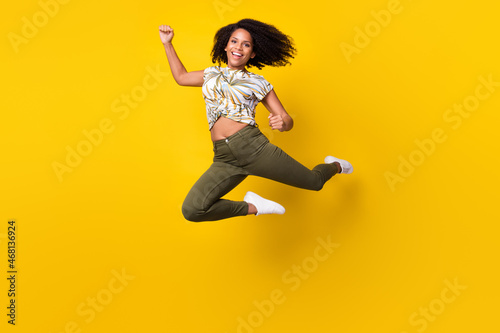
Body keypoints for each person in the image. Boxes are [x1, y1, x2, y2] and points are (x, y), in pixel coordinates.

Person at [159, 18, 353, 222]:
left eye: (246, 44)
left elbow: (286, 119)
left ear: (252, 54)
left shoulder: (258, 82)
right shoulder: (211, 74)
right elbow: (181, 77)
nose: (238, 47)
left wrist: (283, 123)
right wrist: (167, 43)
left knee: (314, 182)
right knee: (192, 210)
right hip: (224, 158)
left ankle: (336, 166)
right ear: (225, 46)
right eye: (234, 41)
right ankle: (254, 206)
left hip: (254, 149)